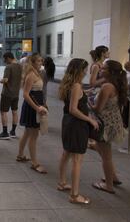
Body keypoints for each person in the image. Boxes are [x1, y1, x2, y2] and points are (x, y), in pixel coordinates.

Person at [58, 58, 98, 205]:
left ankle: (62, 182)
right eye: (85, 69)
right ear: (79, 71)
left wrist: (84, 91)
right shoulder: (75, 86)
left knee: (66, 153)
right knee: (77, 160)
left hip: (68, 123)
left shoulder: (69, 84)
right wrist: (89, 120)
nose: (86, 72)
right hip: (76, 125)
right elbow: (73, 109)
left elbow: (74, 99)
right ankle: (74, 195)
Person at [90, 60, 127, 194]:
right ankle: (113, 177)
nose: (100, 69)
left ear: (110, 72)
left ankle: (109, 185)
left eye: (103, 68)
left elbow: (97, 109)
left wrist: (87, 102)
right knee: (101, 149)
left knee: (106, 156)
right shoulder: (116, 84)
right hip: (112, 122)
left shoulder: (107, 87)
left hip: (105, 124)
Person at [17, 53, 48, 174]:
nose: (41, 63)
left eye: (41, 61)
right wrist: (37, 108)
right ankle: (35, 163)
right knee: (33, 135)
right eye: (39, 61)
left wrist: (43, 104)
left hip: (36, 105)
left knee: (27, 133)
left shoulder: (36, 73)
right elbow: (25, 94)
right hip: (32, 107)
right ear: (33, 62)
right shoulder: (31, 75)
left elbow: (39, 92)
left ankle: (20, 155)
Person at [0, 52, 23, 140]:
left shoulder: (9, 67)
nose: (4, 61)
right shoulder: (19, 66)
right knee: (14, 111)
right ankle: (13, 131)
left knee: (3, 112)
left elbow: (5, 80)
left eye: (5, 59)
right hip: (16, 93)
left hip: (7, 93)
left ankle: (4, 132)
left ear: (8, 58)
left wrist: (0, 80)